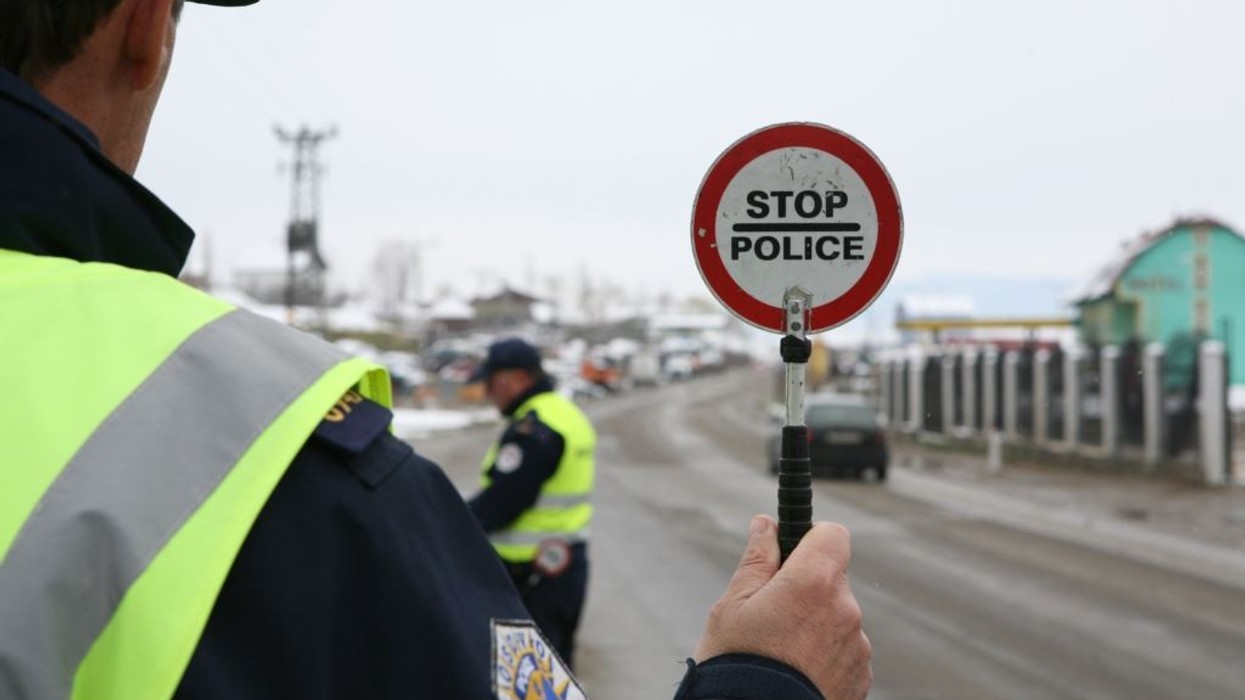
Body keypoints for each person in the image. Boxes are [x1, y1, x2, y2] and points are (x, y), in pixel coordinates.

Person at [0, 1, 872, 699]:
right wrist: (766, 684)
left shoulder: (533, 422)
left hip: (551, 570)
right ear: (145, 29)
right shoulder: (260, 444)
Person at [466, 338, 595, 670]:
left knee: (530, 674)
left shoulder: (535, 429)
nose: (489, 392)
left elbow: (505, 500)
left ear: (516, 378)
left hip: (531, 575)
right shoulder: (563, 412)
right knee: (553, 671)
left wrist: (453, 524)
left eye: (492, 382)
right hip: (560, 566)